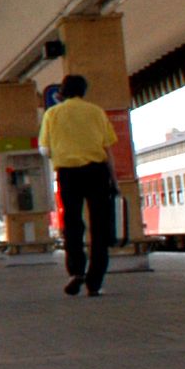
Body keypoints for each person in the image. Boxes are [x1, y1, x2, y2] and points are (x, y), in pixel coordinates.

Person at [38, 74, 120, 297]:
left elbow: (44, 150)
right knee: (100, 226)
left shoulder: (52, 114)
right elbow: (108, 150)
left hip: (67, 174)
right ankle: (95, 282)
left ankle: (76, 271)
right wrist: (114, 180)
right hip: (97, 173)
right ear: (84, 91)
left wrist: (63, 149)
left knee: (73, 222)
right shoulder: (96, 112)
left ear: (62, 92)